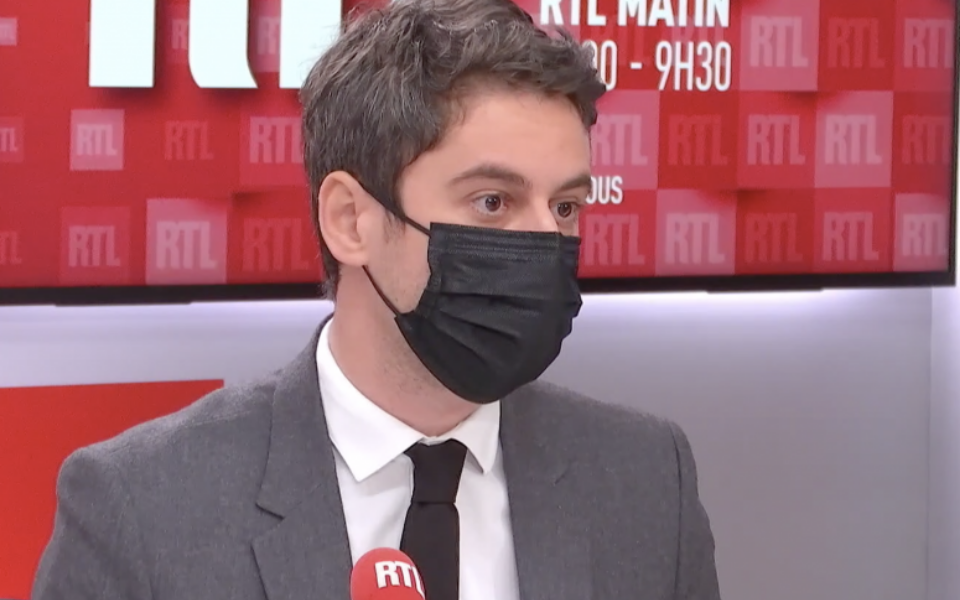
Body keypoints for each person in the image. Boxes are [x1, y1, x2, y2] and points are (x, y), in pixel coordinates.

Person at [31, 1, 721, 599]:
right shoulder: (141, 506)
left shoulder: (645, 480)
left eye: (565, 207)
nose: (545, 242)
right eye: (492, 202)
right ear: (350, 220)